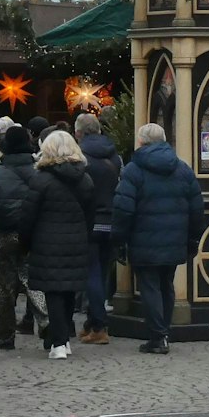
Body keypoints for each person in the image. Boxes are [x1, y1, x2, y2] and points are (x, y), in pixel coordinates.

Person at [113, 124, 201, 353]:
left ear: (141, 142)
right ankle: (164, 332)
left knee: (150, 286)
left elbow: (123, 209)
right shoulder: (182, 169)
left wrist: (119, 239)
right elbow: (197, 207)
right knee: (166, 285)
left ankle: (158, 336)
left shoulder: (133, 170)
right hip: (175, 238)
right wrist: (193, 238)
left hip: (143, 238)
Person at [13, 131, 93, 359]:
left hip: (47, 242)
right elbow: (90, 215)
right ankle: (63, 337)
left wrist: (24, 242)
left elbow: (28, 215)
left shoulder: (41, 180)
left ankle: (59, 342)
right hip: (76, 241)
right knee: (68, 291)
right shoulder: (85, 179)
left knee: (54, 293)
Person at [0, 124, 37, 349]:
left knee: (3, 288)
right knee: (36, 280)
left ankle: (3, 336)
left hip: (4, 233)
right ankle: (49, 322)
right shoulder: (38, 170)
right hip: (32, 232)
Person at [75, 113, 123, 345]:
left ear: (79, 133)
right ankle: (93, 321)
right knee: (103, 273)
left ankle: (98, 326)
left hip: (90, 220)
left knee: (91, 274)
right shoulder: (115, 156)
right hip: (112, 220)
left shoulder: (80, 157)